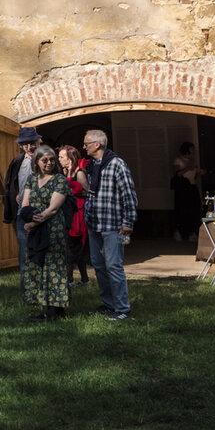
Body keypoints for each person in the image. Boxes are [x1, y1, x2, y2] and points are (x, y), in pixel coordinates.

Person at [83, 130, 136, 321]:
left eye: (86, 143)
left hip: (114, 226)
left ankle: (123, 309)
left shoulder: (117, 164)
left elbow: (129, 195)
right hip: (94, 224)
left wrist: (128, 223)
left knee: (113, 265)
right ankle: (109, 304)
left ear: (97, 144)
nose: (84, 146)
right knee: (98, 265)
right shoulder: (93, 165)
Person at [20, 146, 71, 321]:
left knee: (53, 266)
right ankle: (50, 306)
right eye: (44, 160)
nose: (49, 163)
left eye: (52, 160)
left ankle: (53, 310)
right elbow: (25, 204)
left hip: (53, 228)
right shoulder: (31, 179)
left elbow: (53, 209)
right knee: (38, 264)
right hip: (36, 229)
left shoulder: (59, 180)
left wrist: (33, 222)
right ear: (37, 162)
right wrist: (28, 217)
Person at [4, 127, 42, 305]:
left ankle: (43, 293)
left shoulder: (46, 159)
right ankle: (28, 295)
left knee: (42, 253)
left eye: (32, 143)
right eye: (25, 144)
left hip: (42, 213)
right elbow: (10, 184)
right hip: (22, 215)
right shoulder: (17, 161)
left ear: (38, 142)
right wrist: (16, 195)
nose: (29, 147)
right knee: (24, 255)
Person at [59, 146, 91, 286]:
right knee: (74, 247)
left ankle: (70, 280)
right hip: (70, 212)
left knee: (72, 247)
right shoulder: (66, 173)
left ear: (70, 159)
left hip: (78, 214)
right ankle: (84, 279)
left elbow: (88, 192)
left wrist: (72, 192)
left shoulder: (80, 173)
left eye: (62, 157)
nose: (59, 160)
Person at [171, 141, 204, 242]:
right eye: (192, 149)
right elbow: (177, 174)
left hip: (192, 187)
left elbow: (194, 176)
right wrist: (188, 168)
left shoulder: (193, 161)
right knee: (182, 210)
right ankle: (179, 232)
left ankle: (192, 233)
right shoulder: (179, 160)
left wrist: (200, 173)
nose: (193, 151)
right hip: (183, 188)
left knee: (194, 210)